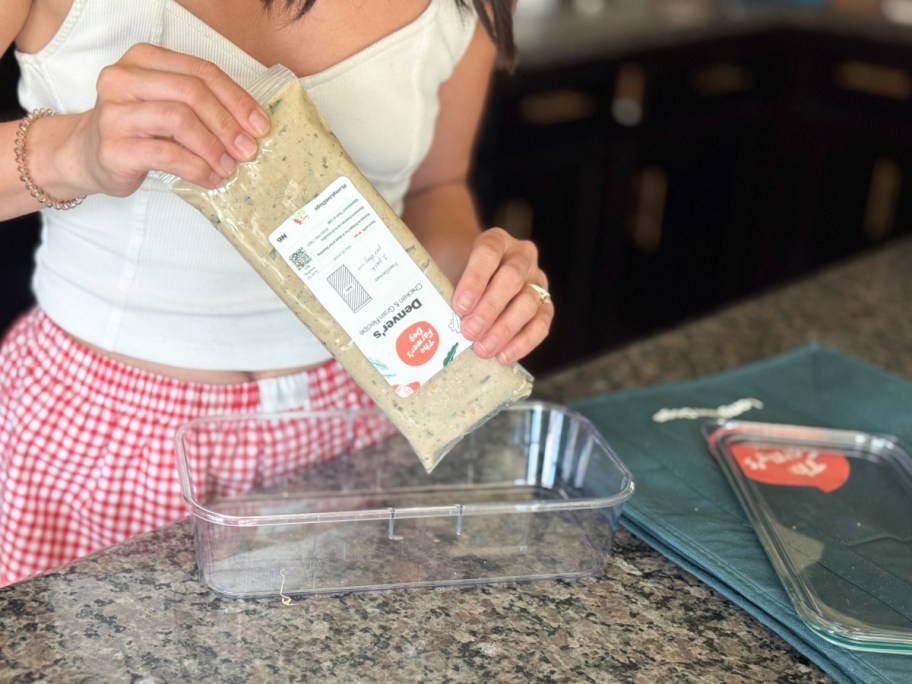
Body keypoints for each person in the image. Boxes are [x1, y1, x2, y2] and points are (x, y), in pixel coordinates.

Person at [0, 0, 554, 587]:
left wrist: (484, 294)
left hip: (356, 427)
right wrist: (71, 149)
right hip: (99, 439)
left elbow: (435, 189)